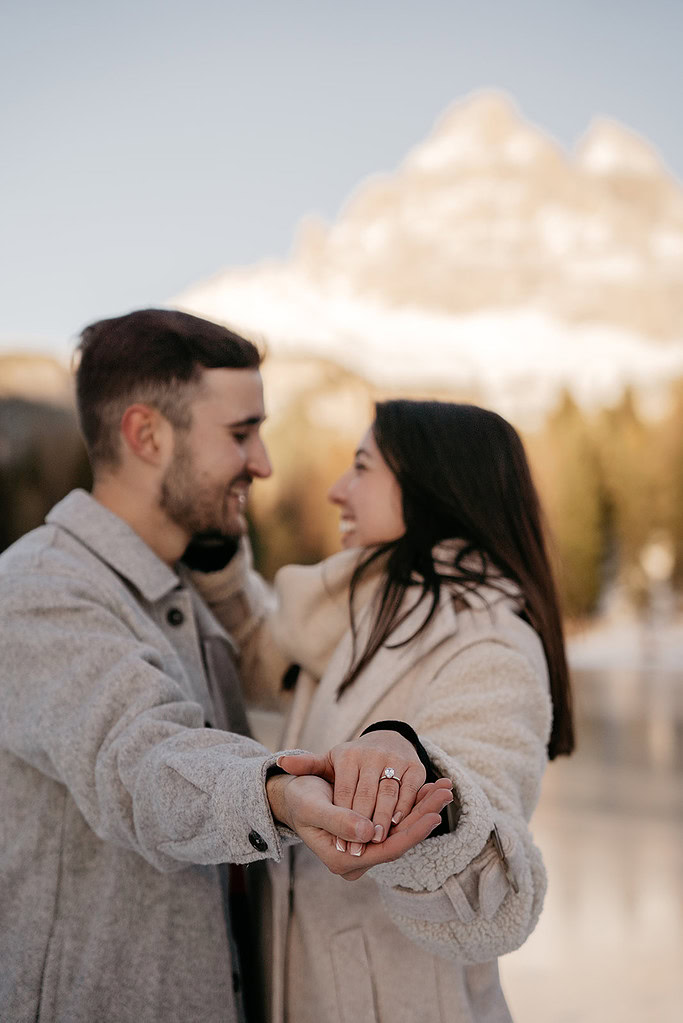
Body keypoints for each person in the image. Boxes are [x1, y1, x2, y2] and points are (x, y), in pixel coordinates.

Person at [0, 311, 453, 1023]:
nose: (264, 463)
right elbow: (139, 756)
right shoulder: (39, 589)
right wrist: (276, 791)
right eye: (240, 433)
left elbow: (292, 662)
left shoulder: (182, 594)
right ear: (146, 435)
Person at [193, 399, 575, 1023]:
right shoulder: (362, 617)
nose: (338, 490)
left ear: (432, 487)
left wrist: (422, 778)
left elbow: (491, 883)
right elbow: (257, 658)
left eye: (363, 468)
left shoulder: (489, 642)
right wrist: (214, 554)